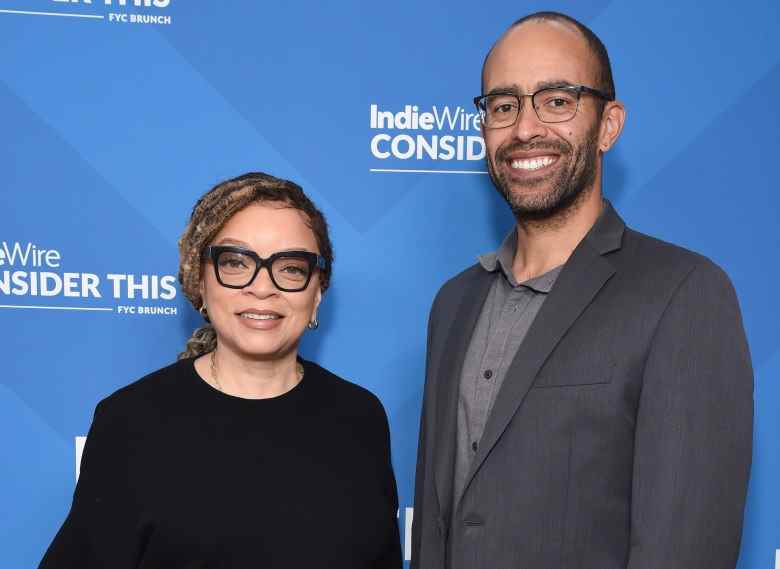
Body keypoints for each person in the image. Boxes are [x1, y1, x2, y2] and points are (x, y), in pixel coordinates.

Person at [411, 11, 753, 569]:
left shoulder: (683, 294)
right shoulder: (454, 303)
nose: (525, 129)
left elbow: (685, 548)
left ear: (609, 124)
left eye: (557, 100)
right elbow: (436, 530)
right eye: (503, 105)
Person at [39, 172, 402, 569]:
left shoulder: (360, 418)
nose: (263, 287)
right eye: (236, 262)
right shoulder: (131, 422)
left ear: (317, 292)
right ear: (200, 281)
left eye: (291, 268)